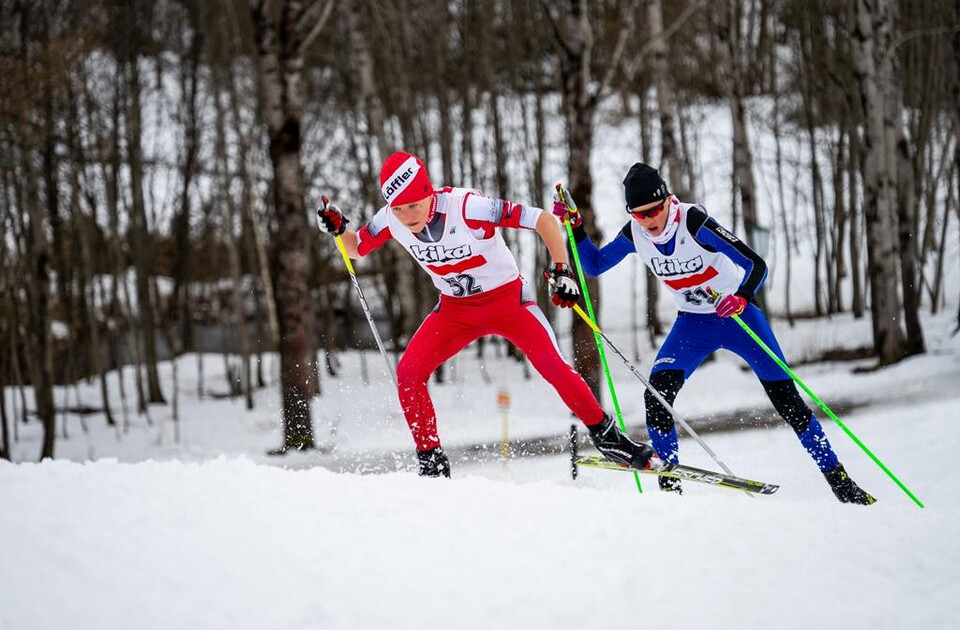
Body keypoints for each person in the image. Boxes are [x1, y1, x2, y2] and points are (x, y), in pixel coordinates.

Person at [315, 151, 661, 478]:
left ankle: (609, 438)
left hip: (508, 303)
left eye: (414, 205)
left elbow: (542, 220)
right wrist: (338, 227)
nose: (408, 216)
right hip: (455, 312)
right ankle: (432, 463)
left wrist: (561, 270)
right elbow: (356, 247)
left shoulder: (468, 207)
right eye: (400, 208)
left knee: (554, 367)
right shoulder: (391, 218)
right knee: (408, 373)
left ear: (428, 192)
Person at [553, 163, 875, 504]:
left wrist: (741, 298)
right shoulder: (635, 233)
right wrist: (575, 228)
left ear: (667, 200)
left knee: (788, 402)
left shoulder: (692, 222)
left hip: (738, 320)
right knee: (656, 398)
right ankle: (670, 490)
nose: (649, 220)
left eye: (655, 210)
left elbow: (756, 265)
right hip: (692, 324)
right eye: (640, 213)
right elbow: (594, 265)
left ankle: (841, 482)